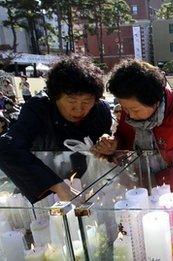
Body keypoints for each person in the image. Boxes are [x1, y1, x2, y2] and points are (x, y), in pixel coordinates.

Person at [0, 56, 112, 203]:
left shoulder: (100, 110)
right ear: (55, 97)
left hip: (88, 184)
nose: (79, 109)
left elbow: (105, 138)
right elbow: (7, 147)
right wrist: (56, 185)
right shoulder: (38, 109)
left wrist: (106, 142)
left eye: (86, 102)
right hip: (46, 186)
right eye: (71, 101)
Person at [94, 60, 173, 189]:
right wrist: (112, 146)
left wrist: (154, 181)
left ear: (155, 101)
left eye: (135, 110)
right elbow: (123, 142)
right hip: (139, 190)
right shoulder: (129, 111)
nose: (130, 116)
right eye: (125, 109)